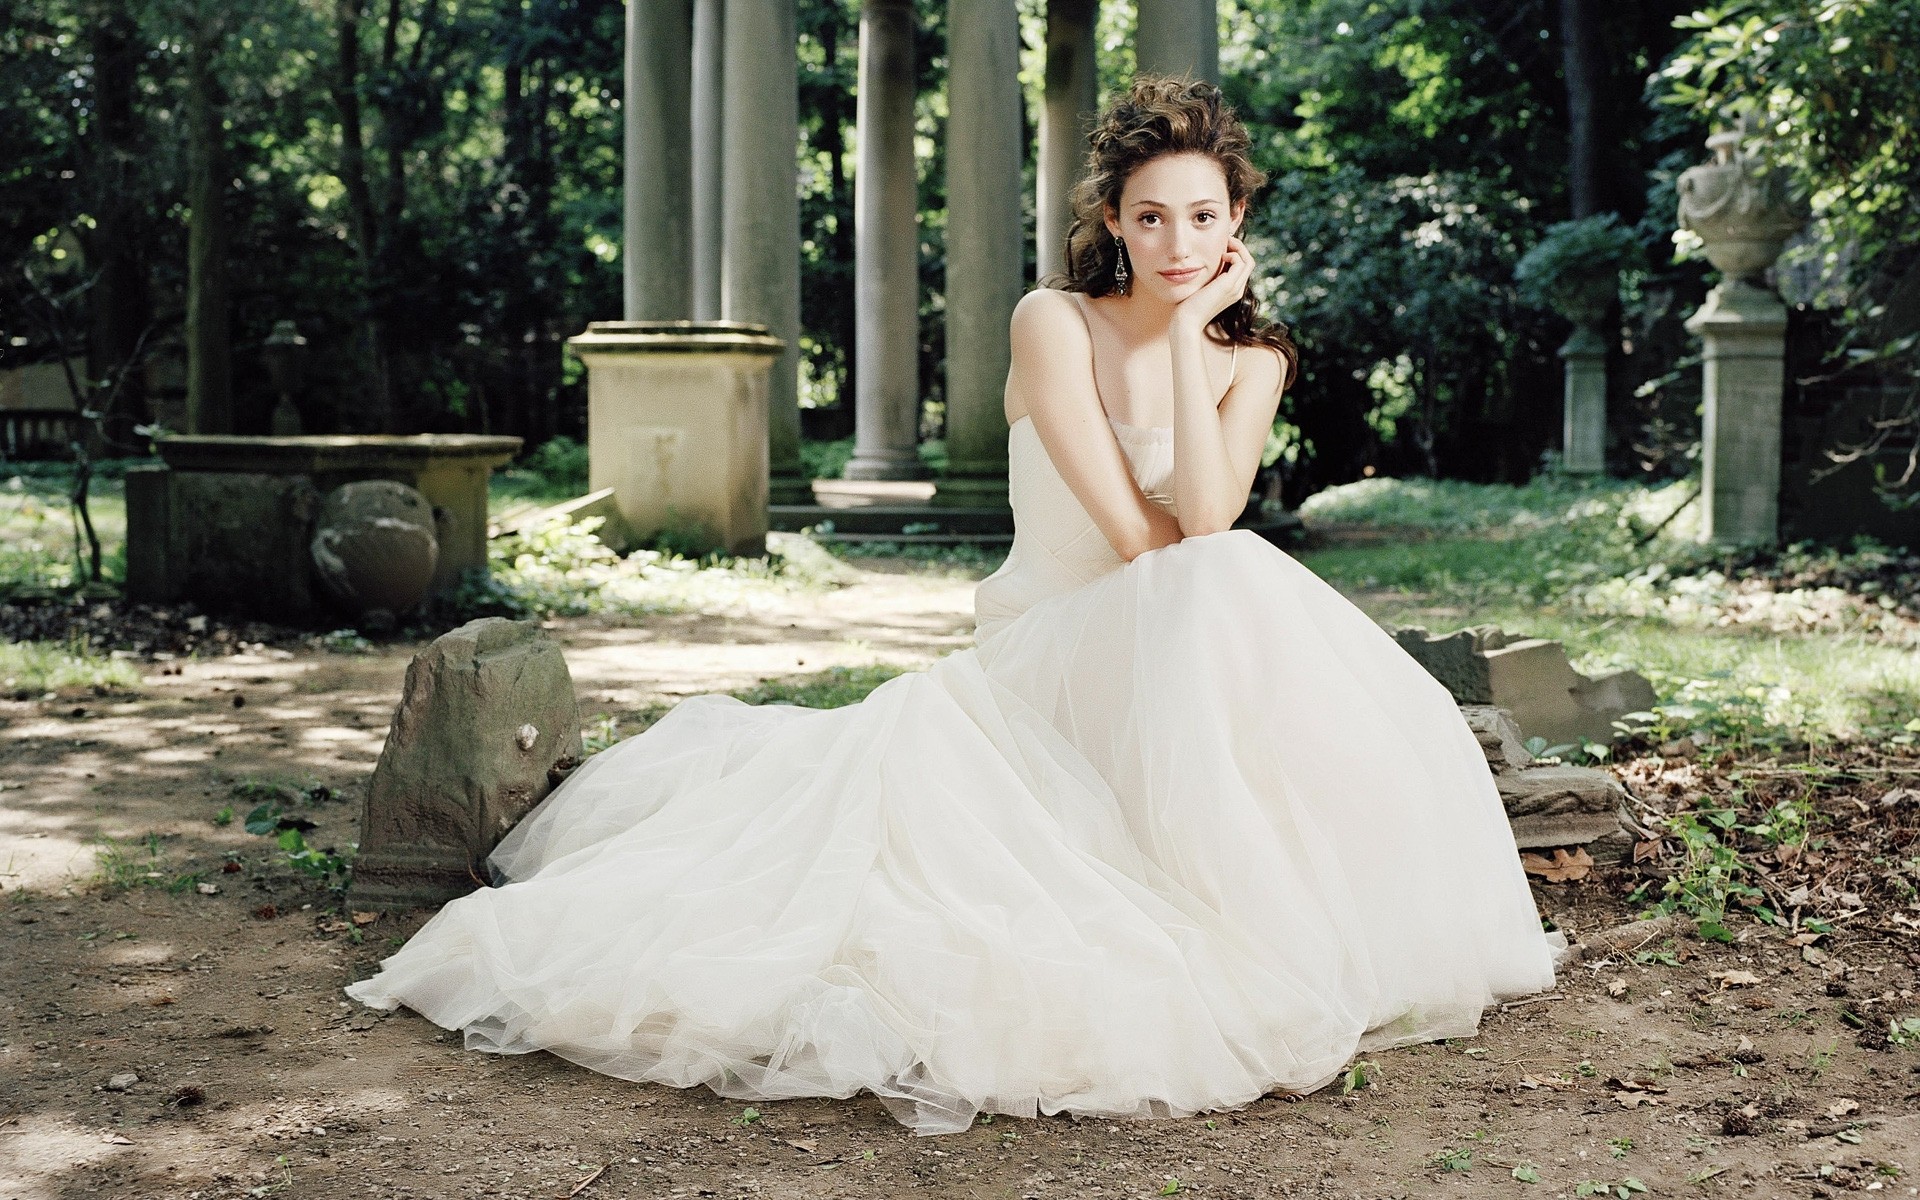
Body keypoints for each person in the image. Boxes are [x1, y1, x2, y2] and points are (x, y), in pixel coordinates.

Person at [345, 75, 1563, 1137]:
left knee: (1231, 571)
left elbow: (1209, 516)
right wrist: (1182, 345)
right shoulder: (1055, 322)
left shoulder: (1253, 358)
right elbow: (1153, 540)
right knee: (1220, 570)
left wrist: (1196, 341)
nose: (1178, 244)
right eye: (1152, 219)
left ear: (1237, 220)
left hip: (1177, 643)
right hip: (1050, 653)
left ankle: (1275, 898)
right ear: (1114, 223)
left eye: (1203, 217)